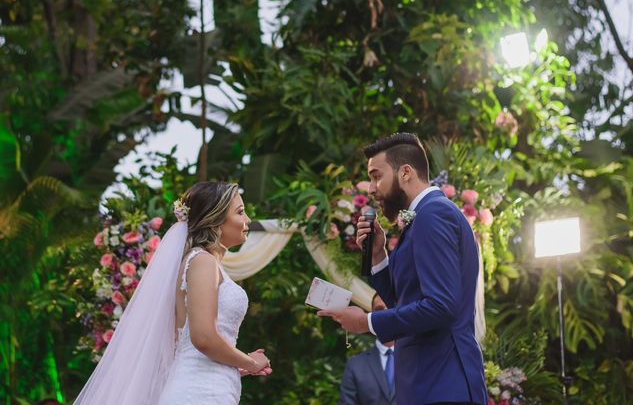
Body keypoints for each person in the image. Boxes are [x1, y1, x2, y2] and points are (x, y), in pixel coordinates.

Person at [318, 133, 487, 405]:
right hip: (428, 386)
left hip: (443, 384)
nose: (371, 189)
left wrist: (367, 322)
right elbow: (406, 303)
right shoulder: (423, 217)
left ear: (406, 172)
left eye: (376, 176)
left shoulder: (433, 214)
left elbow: (441, 306)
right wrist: (378, 257)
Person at [74, 181, 271, 405]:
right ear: (215, 220)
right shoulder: (202, 262)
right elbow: (203, 338)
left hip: (209, 389)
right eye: (240, 212)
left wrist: (238, 366)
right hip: (199, 394)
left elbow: (187, 345)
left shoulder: (204, 264)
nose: (247, 221)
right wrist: (250, 362)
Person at [339, 293, 396, 405]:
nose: (385, 314)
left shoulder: (418, 359)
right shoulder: (355, 365)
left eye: (390, 308)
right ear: (371, 317)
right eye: (379, 310)